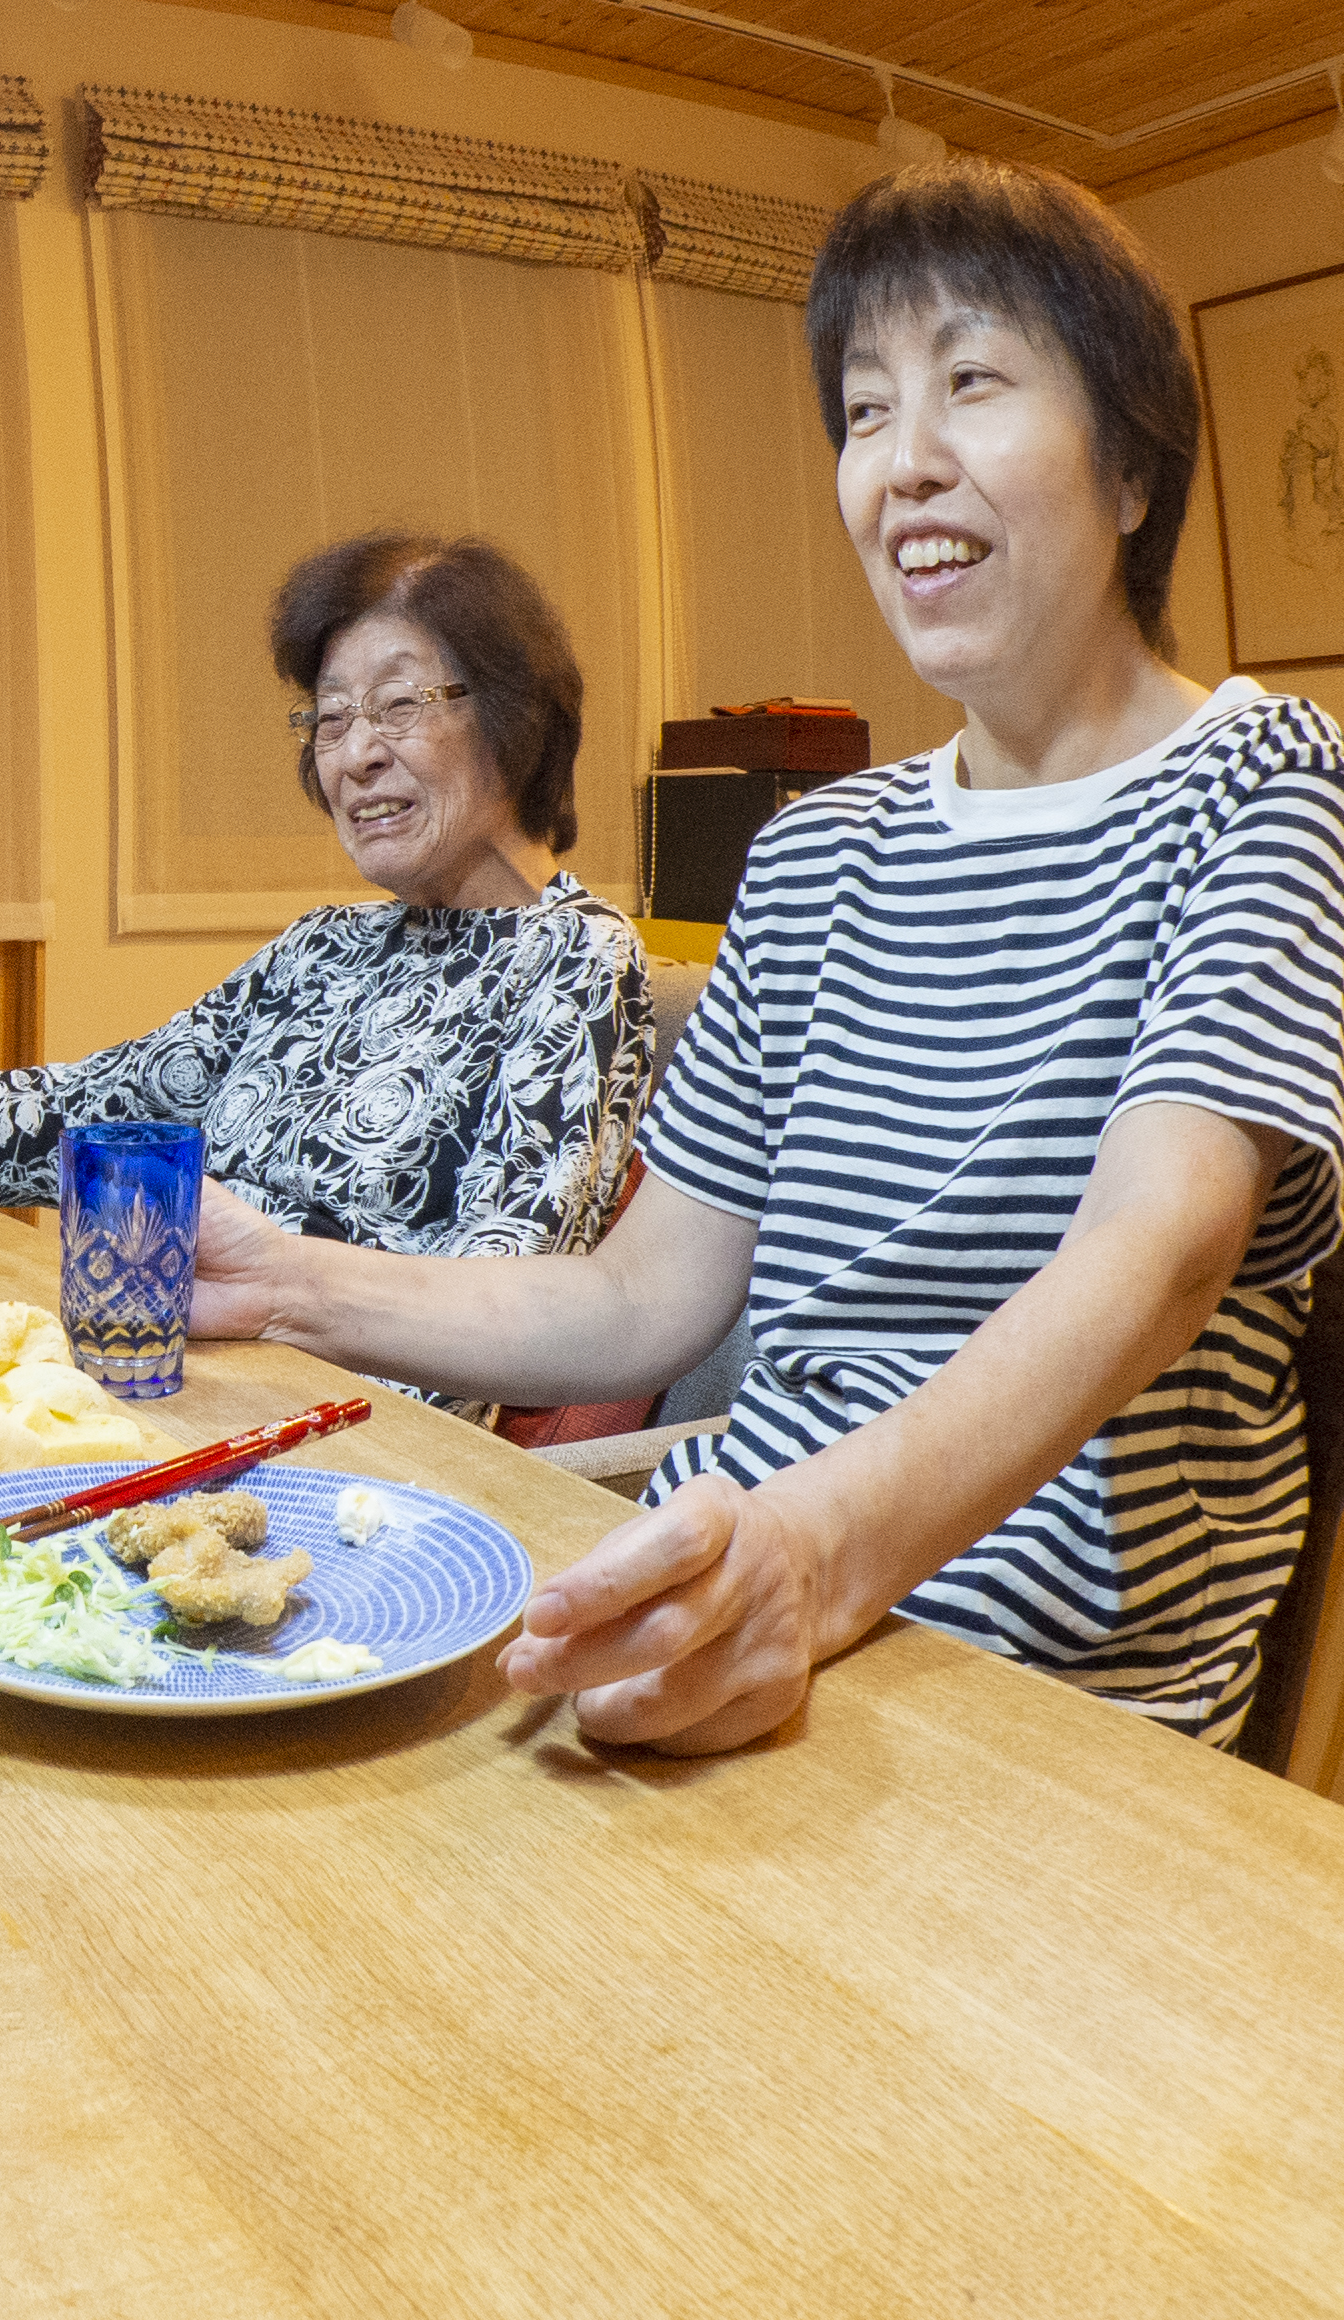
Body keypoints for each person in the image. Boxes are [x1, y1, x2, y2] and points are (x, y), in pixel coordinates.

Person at [197, 162, 1344, 1752]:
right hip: (722, 1614)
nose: (904, 466)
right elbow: (636, 1301)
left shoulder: (1263, 776)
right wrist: (288, 1282)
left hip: (1045, 1703)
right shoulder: (818, 853)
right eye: (864, 412)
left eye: (971, 383)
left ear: (1131, 469)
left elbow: (1157, 1261)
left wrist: (815, 1555)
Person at [0, 531, 652, 1413]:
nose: (353, 754)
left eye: (397, 705)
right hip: (169, 1377)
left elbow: (507, 1298)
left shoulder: (577, 956)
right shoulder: (325, 945)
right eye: (330, 718)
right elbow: (96, 1106)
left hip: (350, 1444)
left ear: (515, 715)